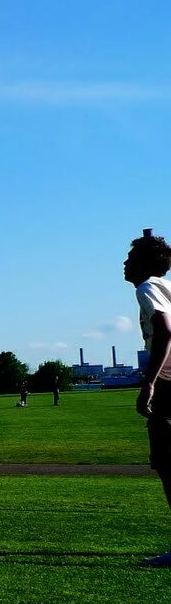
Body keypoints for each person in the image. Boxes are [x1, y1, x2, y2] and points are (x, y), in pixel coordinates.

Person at [125, 229, 171, 566]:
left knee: (168, 466)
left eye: (130, 258)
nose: (125, 264)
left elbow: (166, 331)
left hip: (169, 386)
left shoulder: (148, 288)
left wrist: (150, 383)